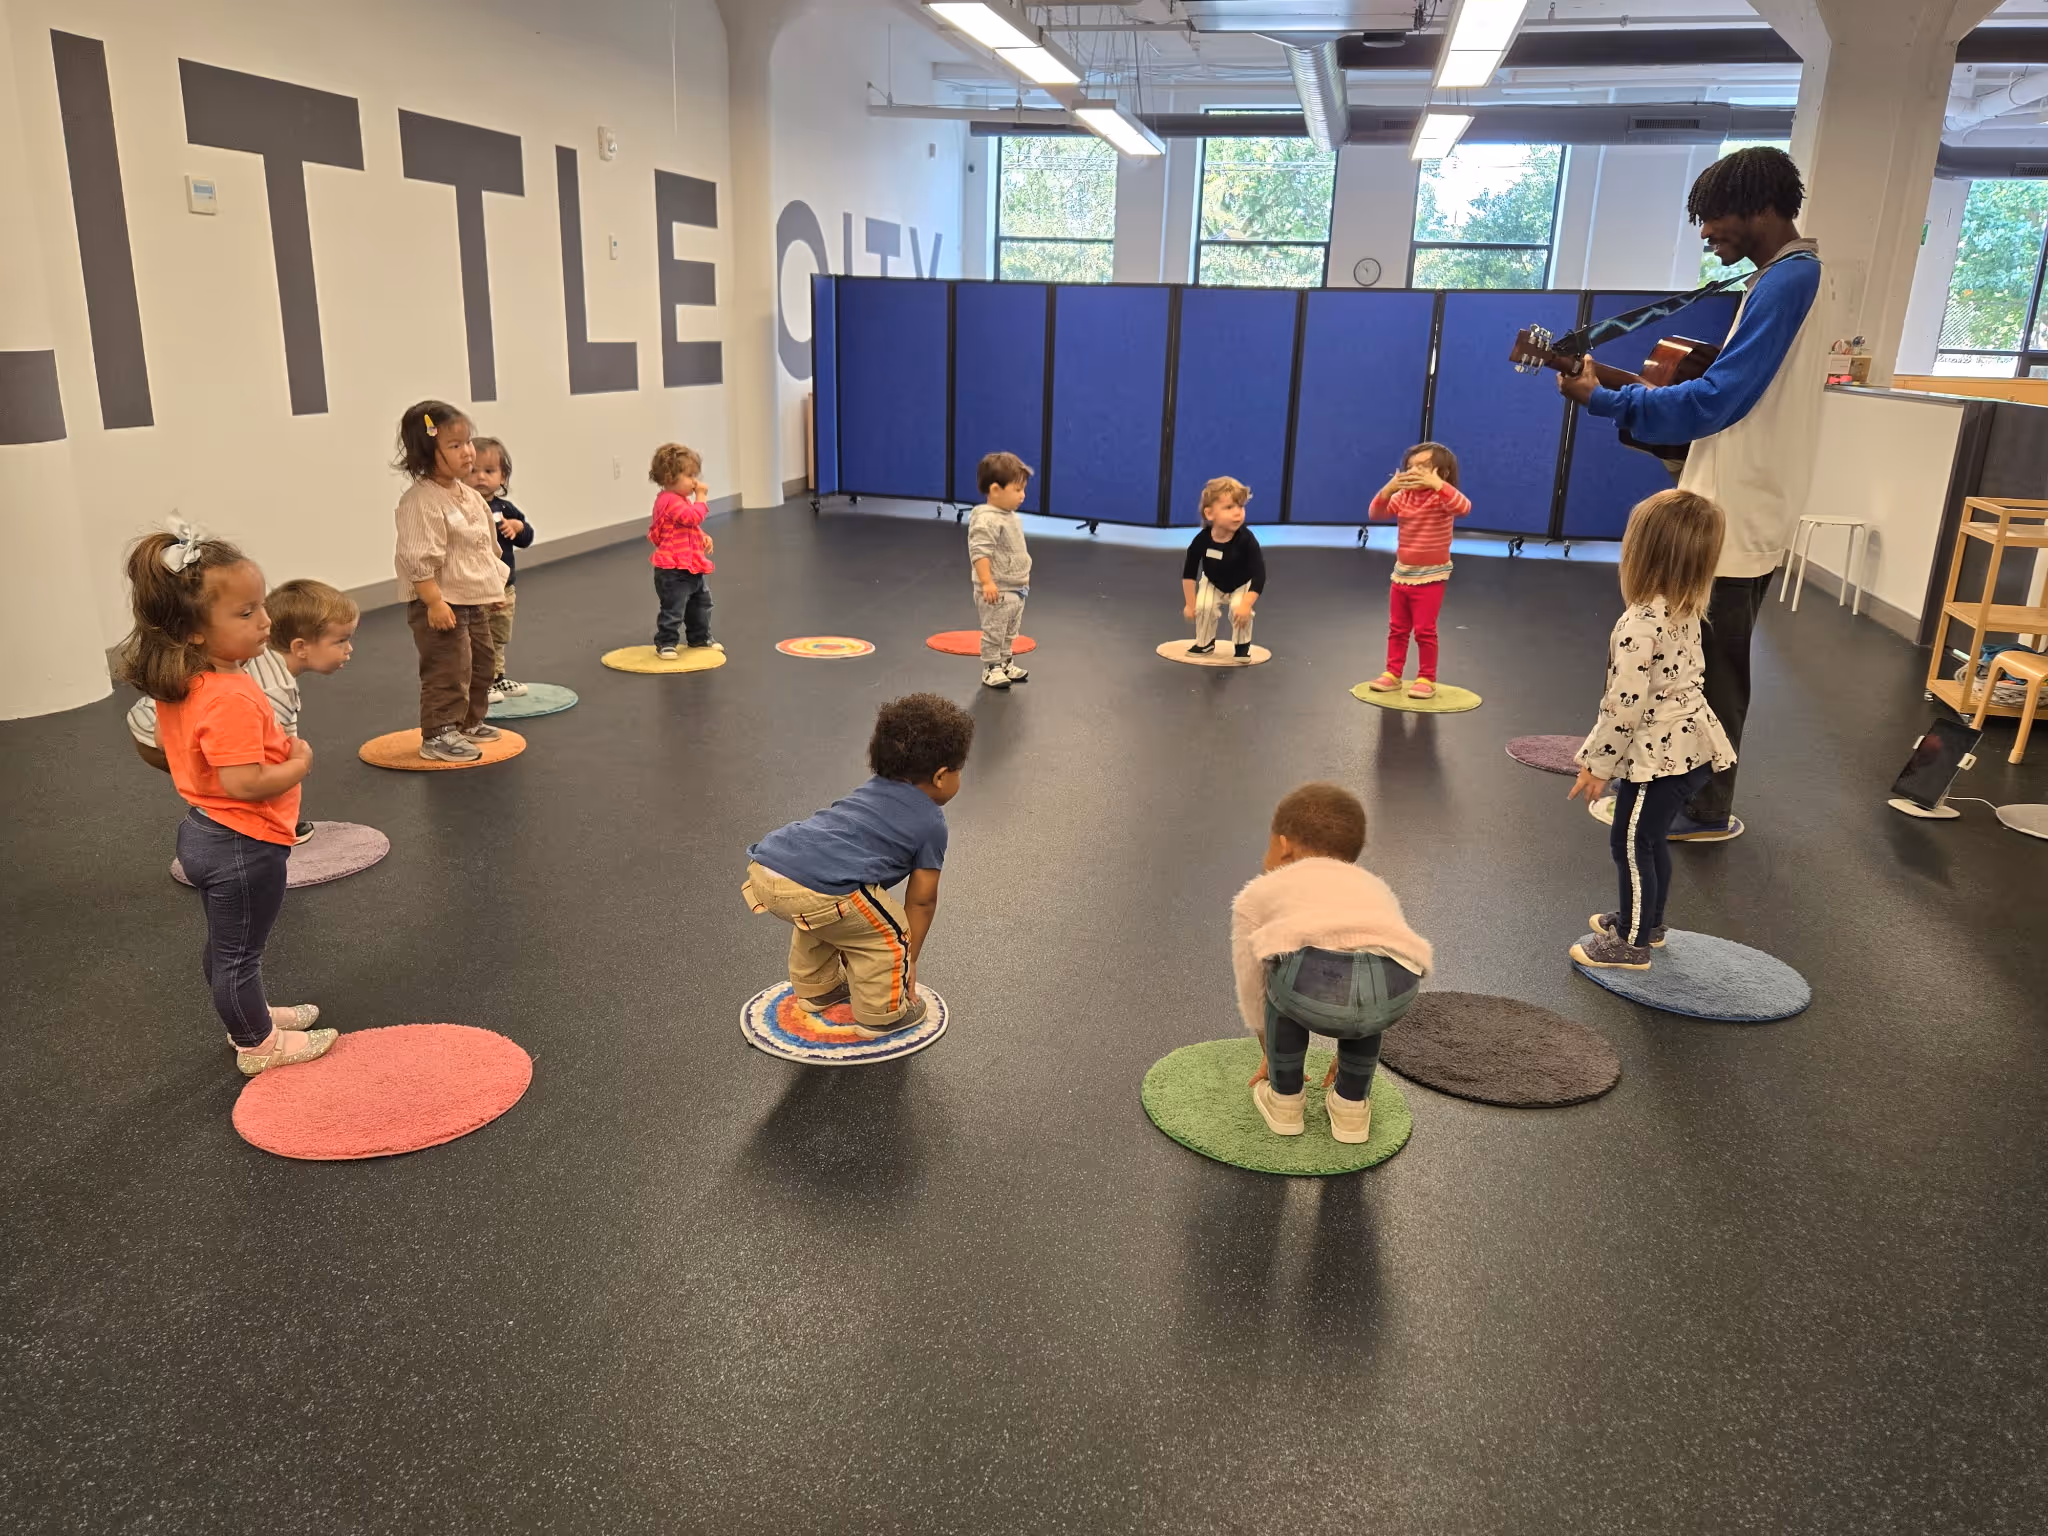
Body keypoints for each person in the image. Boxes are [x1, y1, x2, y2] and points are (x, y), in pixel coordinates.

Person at [1558, 145, 1824, 841]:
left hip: (1736, 515)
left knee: (1709, 672)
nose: (1705, 233)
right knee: (1696, 664)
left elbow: (1717, 401)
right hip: (1738, 504)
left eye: (1713, 217)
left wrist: (1605, 402)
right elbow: (1711, 399)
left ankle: (1701, 805)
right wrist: (1611, 388)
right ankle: (1687, 795)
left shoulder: (1788, 281)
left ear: (1760, 204)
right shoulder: (1778, 278)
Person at [116, 523, 335, 1075]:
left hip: (205, 829)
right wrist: (297, 763)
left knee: (228, 946)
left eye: (261, 606)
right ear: (192, 630)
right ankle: (256, 1043)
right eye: (245, 613)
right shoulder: (229, 695)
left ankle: (251, 1015)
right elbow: (243, 782)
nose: (265, 621)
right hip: (243, 840)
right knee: (240, 953)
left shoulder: (185, 682)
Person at [1568, 490, 1736, 970]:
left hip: (1661, 759)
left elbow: (1623, 708)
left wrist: (1597, 766)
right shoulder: (1684, 608)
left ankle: (1632, 943)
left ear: (1640, 554)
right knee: (1650, 838)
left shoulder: (1638, 624)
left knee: (1631, 841)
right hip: (1692, 748)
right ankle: (1647, 921)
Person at [741, 694, 973, 1038]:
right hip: (823, 891)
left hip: (769, 867)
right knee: (888, 936)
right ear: (941, 777)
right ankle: (882, 1015)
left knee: (826, 921)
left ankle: (818, 989)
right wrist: (908, 959)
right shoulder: (931, 822)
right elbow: (922, 900)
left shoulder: (870, 789)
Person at [1236, 783, 1432, 1144]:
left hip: (1313, 986)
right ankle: (1350, 1107)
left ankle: (1284, 1102)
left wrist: (1268, 1050)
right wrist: (1355, 1023)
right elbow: (1388, 947)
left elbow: (1251, 985)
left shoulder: (1259, 894)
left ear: (1283, 847)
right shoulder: (1375, 886)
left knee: (1276, 987)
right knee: (1370, 969)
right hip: (1396, 990)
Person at [128, 578, 358, 844]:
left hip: (156, 723)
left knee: (226, 776)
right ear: (300, 648)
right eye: (341, 641)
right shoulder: (275, 688)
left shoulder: (259, 661)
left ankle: (219, 828)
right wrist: (298, 767)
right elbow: (275, 758)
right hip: (158, 733)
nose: (349, 649)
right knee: (238, 779)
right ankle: (236, 836)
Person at [392, 399, 508, 762]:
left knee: (482, 662)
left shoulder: (470, 495)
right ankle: (439, 732)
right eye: (454, 446)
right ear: (427, 453)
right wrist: (433, 602)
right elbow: (417, 557)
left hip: (471, 598)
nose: (468, 453)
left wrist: (493, 587)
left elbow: (483, 546)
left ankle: (469, 721)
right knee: (448, 667)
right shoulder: (421, 501)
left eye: (468, 442)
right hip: (440, 601)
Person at [1364, 441, 1472, 700]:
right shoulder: (1404, 497)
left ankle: (1426, 677)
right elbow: (1375, 513)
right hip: (1402, 574)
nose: (1414, 472)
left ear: (1442, 473)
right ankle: (1393, 673)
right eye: (1410, 467)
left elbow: (1464, 507)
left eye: (1423, 467)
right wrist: (1389, 489)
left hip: (1431, 576)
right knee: (1397, 628)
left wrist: (1439, 486)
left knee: (1424, 630)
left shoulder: (1442, 497)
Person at [468, 435, 533, 704]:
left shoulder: (506, 508)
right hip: (476, 588)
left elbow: (526, 538)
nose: (481, 477)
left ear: (503, 477)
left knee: (498, 635)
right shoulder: (466, 506)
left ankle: (496, 677)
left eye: (489, 471)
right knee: (477, 636)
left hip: (504, 586)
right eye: (473, 471)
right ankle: (479, 682)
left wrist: (518, 527)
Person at [967, 451, 1032, 691]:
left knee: (1009, 631)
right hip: (997, 589)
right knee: (994, 629)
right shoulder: (986, 519)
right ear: (995, 490)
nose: (1023, 496)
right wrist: (987, 582)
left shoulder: (1010, 516)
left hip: (1016, 587)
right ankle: (991, 667)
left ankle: (1005, 661)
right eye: (1017, 490)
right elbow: (980, 552)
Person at [1181, 477, 1265, 660]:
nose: (1237, 513)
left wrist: (1246, 604)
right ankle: (1204, 643)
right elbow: (1189, 572)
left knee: (1238, 609)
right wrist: (1190, 603)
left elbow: (1259, 575)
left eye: (1240, 507)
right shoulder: (1202, 540)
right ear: (1210, 514)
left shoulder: (1247, 540)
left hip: (1241, 584)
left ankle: (1242, 646)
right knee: (1204, 607)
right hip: (1213, 581)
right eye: (1229, 508)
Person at [647, 443, 719, 660]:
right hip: (673, 571)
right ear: (670, 477)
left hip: (690, 565)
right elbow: (691, 517)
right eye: (690, 476)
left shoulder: (680, 500)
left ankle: (699, 637)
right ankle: (666, 643)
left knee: (701, 603)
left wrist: (702, 536)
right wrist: (702, 498)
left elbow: (688, 526)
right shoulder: (668, 500)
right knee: (674, 608)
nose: (695, 482)